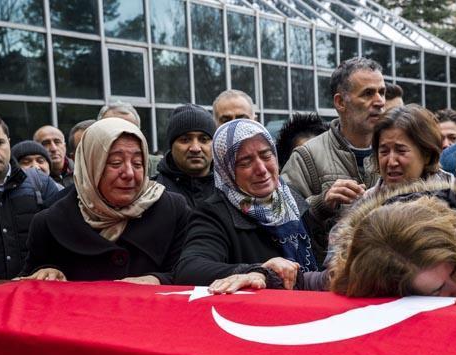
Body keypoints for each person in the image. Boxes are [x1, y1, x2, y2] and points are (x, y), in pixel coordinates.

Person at [210, 179, 456, 311]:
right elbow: (307, 281)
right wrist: (262, 276)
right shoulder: (373, 271)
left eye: (453, 271)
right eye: (437, 289)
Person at [20, 117, 190, 284]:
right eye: (115, 163)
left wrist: (159, 279)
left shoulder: (172, 210)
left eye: (138, 163)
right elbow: (25, 288)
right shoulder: (50, 222)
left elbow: (188, 271)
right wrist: (46, 271)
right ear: (90, 166)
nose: (129, 173)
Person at [174, 119, 321, 287]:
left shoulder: (292, 199)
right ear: (226, 171)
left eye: (266, 156)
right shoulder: (213, 214)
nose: (261, 169)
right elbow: (189, 269)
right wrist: (256, 271)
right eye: (245, 162)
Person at [281, 57, 386, 253]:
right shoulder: (306, 157)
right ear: (340, 102)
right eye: (368, 93)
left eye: (382, 92)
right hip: (329, 278)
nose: (380, 101)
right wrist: (322, 204)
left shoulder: (395, 152)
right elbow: (283, 224)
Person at [0, 111, 59, 279]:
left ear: (8, 143)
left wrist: (50, 267)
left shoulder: (41, 184)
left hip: (37, 292)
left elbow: (65, 237)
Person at [370, 104, 451, 191]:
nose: (391, 162)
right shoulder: (365, 202)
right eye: (384, 151)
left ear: (427, 155)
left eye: (401, 151)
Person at [154, 104, 216, 207]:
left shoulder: (229, 189)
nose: (195, 148)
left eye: (203, 139)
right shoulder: (154, 193)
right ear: (171, 145)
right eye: (185, 140)